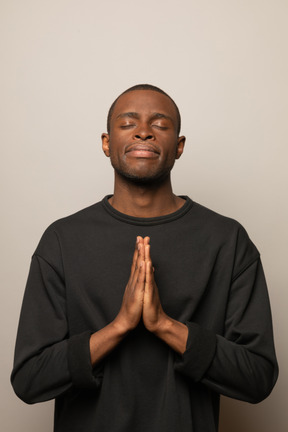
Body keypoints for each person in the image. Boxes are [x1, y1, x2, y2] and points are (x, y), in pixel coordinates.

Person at [11, 84, 278, 432]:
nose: (143, 131)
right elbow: (29, 379)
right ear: (106, 143)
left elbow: (258, 376)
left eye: (160, 124)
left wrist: (164, 325)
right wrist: (119, 327)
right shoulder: (62, 240)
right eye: (128, 122)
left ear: (179, 147)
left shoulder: (227, 240)